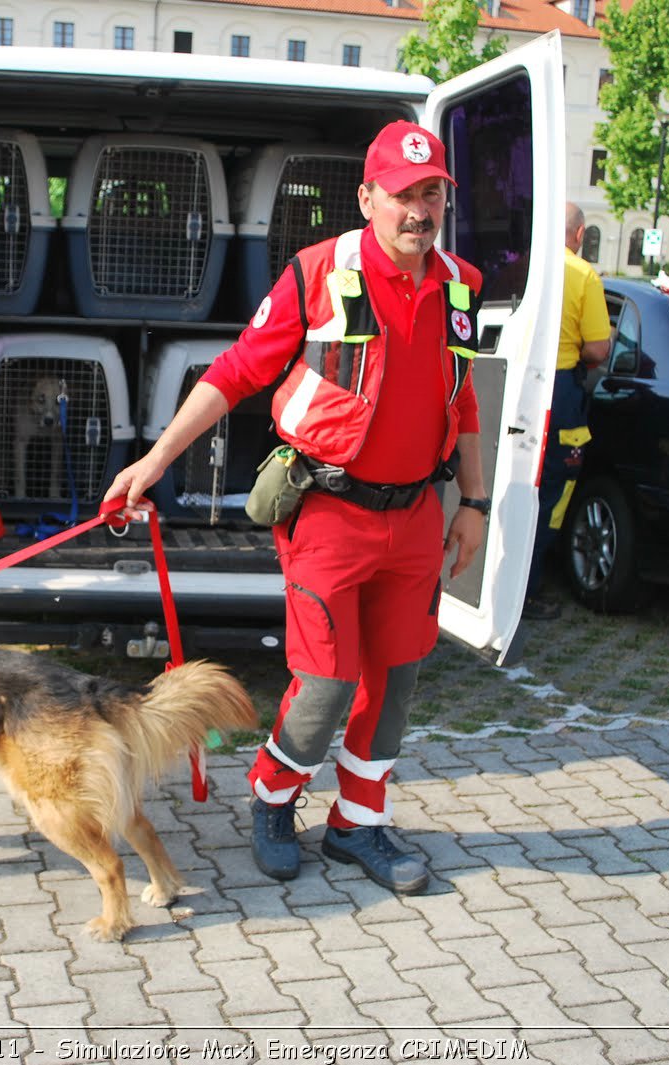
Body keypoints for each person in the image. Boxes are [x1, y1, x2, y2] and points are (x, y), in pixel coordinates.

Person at [102, 120, 489, 895]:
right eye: (405, 195)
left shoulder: (460, 285)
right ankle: (274, 801)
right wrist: (155, 458)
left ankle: (357, 827)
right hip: (329, 514)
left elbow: (464, 399)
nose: (420, 210)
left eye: (433, 194)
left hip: (416, 518)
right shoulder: (317, 273)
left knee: (397, 680)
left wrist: (473, 503)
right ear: (367, 198)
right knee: (327, 684)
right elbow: (239, 371)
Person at [520, 202, 610, 621]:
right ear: (579, 233)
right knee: (550, 493)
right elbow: (597, 348)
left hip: (517, 383)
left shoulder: (520, 263)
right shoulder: (582, 274)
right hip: (559, 392)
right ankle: (528, 592)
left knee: (514, 484)